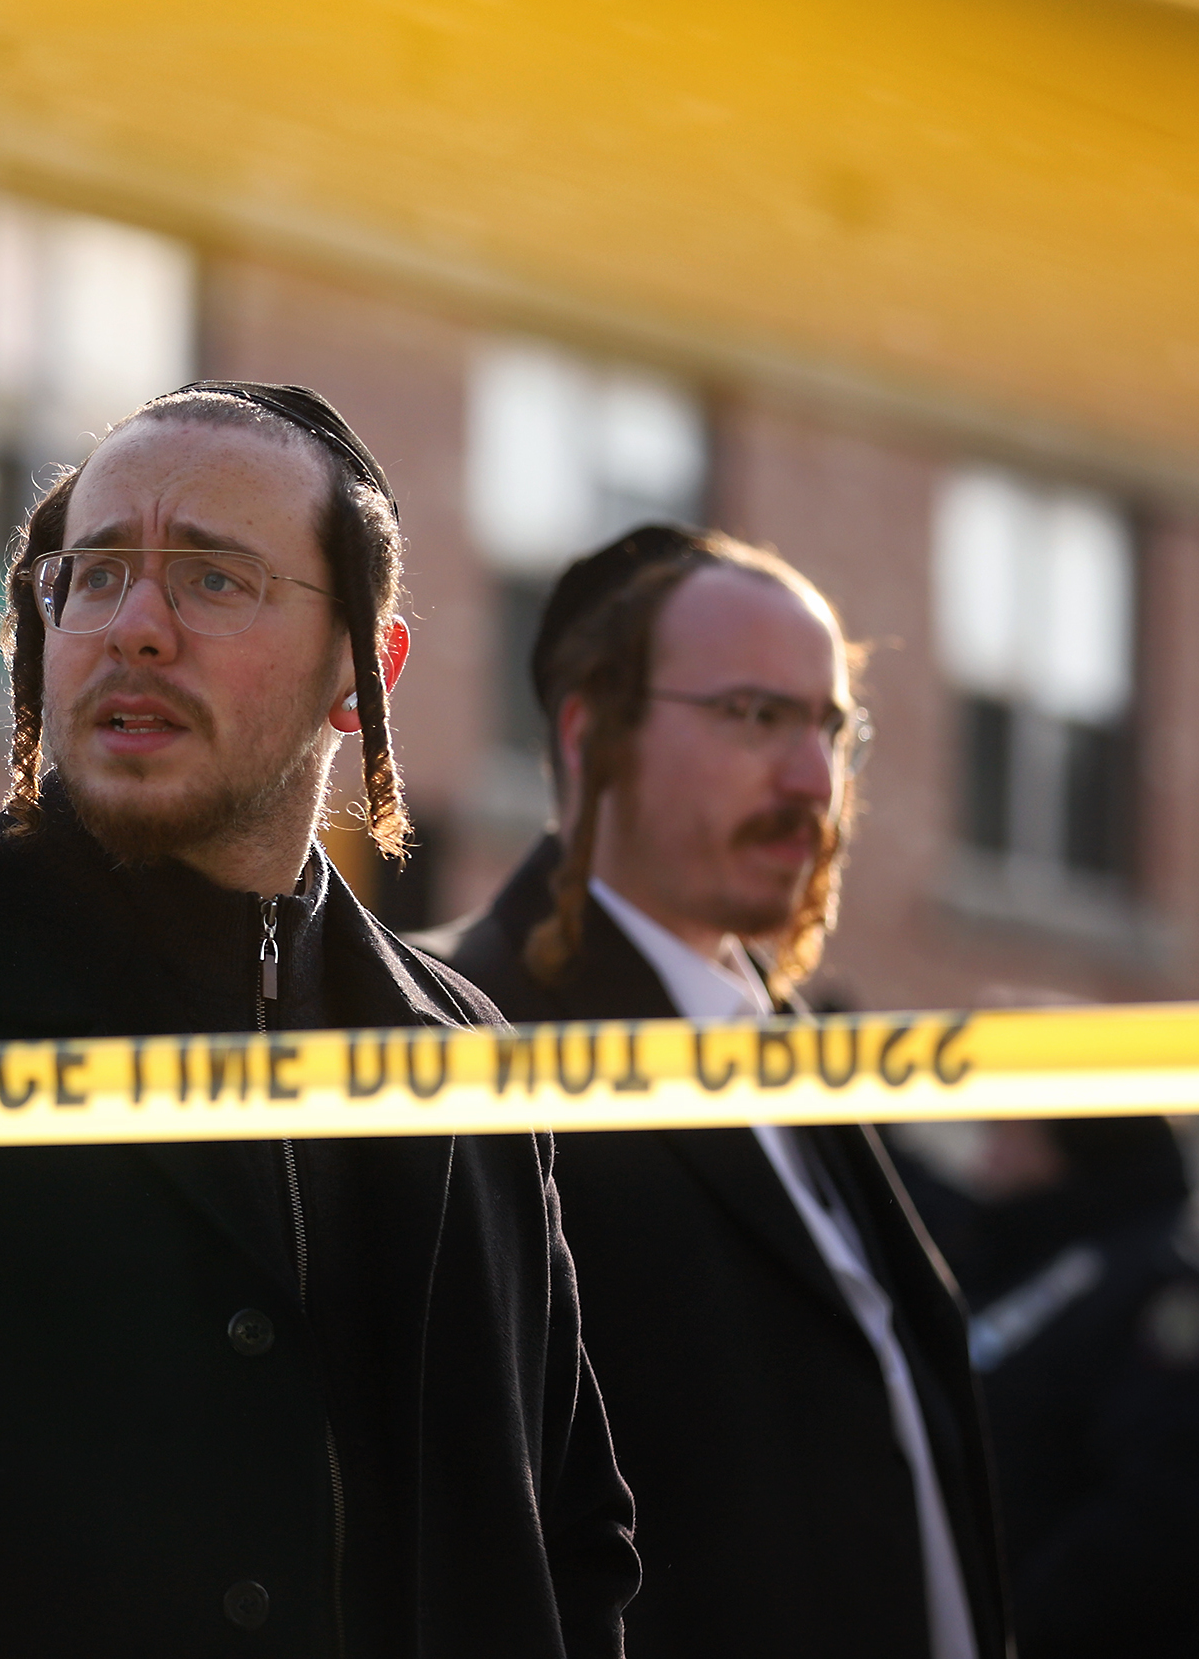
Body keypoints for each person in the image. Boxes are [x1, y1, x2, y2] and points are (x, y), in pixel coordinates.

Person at [0, 383, 638, 1658]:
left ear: (365, 669)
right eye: (93, 578)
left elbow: (572, 1546)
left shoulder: (468, 1062)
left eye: (213, 580)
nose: (134, 628)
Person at [418, 524, 1010, 1659]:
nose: (812, 781)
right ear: (593, 737)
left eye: (832, 727)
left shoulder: (792, 1056)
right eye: (753, 716)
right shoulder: (458, 1040)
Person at [908, 1115, 1199, 1659]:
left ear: (1071, 1146)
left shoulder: (1177, 1275)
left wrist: (1011, 1618)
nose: (985, 1160)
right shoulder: (1049, 1256)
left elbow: (1185, 1505)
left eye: (1007, 1138)